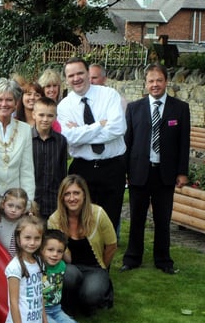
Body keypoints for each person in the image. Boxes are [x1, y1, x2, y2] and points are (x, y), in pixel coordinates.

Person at [120, 63, 190, 275]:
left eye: (159, 80)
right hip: (140, 173)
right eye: (151, 81)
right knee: (137, 217)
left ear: (166, 82)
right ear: (146, 83)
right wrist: (125, 172)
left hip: (165, 173)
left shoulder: (180, 108)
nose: (155, 85)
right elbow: (128, 142)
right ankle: (132, 258)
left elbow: (183, 143)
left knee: (162, 219)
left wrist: (182, 172)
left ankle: (163, 260)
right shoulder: (134, 108)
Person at [57, 57, 127, 232]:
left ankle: (103, 260)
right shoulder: (64, 106)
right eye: (71, 75)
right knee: (81, 222)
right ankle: (83, 259)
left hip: (112, 167)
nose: (76, 78)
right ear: (66, 79)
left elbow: (118, 128)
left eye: (80, 73)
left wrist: (80, 131)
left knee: (108, 224)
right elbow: (68, 138)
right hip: (83, 169)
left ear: (88, 74)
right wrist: (98, 126)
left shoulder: (109, 95)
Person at [41, 229, 123, 323]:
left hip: (56, 309)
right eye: (50, 250)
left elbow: (69, 258)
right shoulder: (37, 266)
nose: (55, 254)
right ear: (41, 249)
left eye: (59, 251)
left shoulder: (61, 265)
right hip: (41, 313)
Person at [47, 175, 116, 316]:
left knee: (90, 295)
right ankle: (72, 301)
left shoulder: (98, 214)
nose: (72, 198)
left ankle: (98, 290)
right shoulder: (54, 220)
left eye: (76, 193)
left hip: (95, 268)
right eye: (67, 194)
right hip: (71, 267)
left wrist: (103, 267)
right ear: (62, 198)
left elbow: (112, 245)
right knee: (68, 275)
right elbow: (57, 254)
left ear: (84, 194)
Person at [0, 78, 35, 200]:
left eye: (9, 100)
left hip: (15, 203)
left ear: (16, 103)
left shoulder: (25, 130)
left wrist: (27, 203)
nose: (4, 104)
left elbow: (27, 172)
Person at [32, 97, 68, 220]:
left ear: (55, 117)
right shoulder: (26, 138)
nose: (45, 119)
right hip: (32, 200)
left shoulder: (61, 141)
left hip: (54, 201)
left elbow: (63, 173)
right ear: (34, 115)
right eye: (41, 115)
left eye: (50, 116)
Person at [0, 188, 35, 257]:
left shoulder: (25, 223)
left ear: (24, 209)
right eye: (10, 205)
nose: (13, 210)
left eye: (18, 207)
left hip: (17, 260)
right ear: (3, 204)